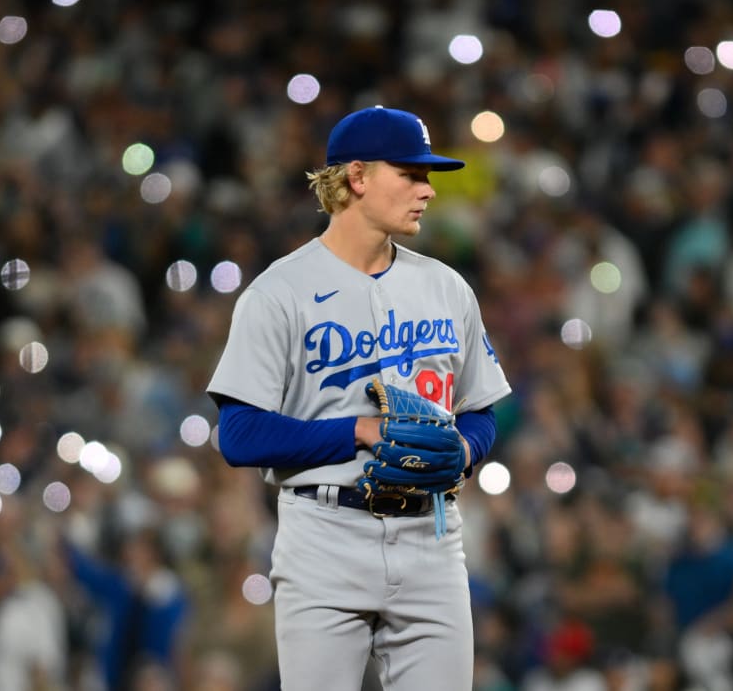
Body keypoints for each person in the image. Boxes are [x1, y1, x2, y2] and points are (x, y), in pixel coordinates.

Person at [206, 105, 512, 691]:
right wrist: (358, 432)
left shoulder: (447, 288)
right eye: (411, 174)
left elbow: (480, 411)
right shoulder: (278, 293)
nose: (427, 190)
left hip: (433, 537)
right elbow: (238, 436)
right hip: (324, 536)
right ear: (357, 177)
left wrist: (465, 451)